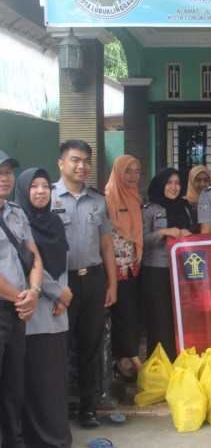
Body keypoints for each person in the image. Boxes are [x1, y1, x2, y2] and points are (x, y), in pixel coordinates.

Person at [51, 139, 117, 429]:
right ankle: (55, 409)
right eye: (75, 160)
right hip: (59, 284)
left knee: (90, 347)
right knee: (57, 349)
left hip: (92, 281)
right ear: (61, 163)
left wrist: (112, 284)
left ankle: (88, 409)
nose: (82, 166)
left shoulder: (98, 200)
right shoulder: (46, 197)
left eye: (86, 161)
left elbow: (106, 244)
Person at [16, 168, 72, 448]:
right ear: (23, 191)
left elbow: (61, 260)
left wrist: (63, 297)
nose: (40, 191)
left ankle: (57, 436)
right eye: (34, 186)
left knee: (55, 378)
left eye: (45, 187)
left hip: (58, 310)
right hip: (33, 312)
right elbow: (27, 264)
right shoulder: (18, 222)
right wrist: (56, 292)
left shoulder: (54, 222)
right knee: (36, 377)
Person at [0, 151, 41, 445]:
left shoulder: (15, 212)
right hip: (10, 305)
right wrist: (22, 299)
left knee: (14, 382)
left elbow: (34, 255)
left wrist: (35, 292)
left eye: (8, 172)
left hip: (18, 310)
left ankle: (14, 441)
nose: (4, 178)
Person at [142, 168, 197, 360]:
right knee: (160, 318)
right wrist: (162, 233)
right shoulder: (150, 209)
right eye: (169, 183)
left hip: (184, 269)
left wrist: (190, 235)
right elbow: (141, 240)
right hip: (157, 270)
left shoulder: (186, 206)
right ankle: (160, 365)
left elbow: (195, 230)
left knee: (182, 317)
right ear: (160, 185)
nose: (174, 187)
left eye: (177, 183)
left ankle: (182, 361)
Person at [105, 155, 143, 381]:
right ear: (118, 171)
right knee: (121, 316)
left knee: (131, 315)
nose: (133, 176)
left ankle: (126, 359)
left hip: (133, 267)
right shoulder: (108, 197)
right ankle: (124, 360)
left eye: (137, 171)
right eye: (128, 171)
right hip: (114, 269)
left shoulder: (135, 197)